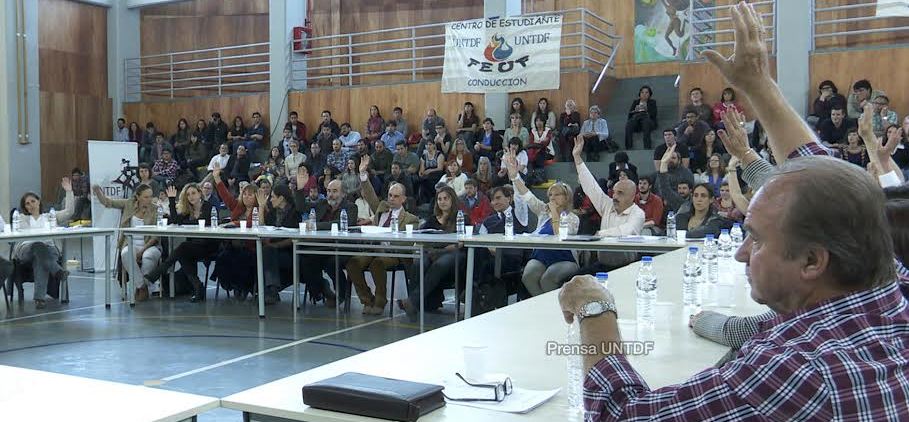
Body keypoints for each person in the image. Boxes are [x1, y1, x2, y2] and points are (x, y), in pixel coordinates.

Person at [568, 7, 908, 417]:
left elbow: (622, 413)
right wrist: (757, 86)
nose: (741, 252)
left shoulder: (797, 372)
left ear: (814, 260)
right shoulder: (890, 284)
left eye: (758, 239)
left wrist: (594, 308)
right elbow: (826, 183)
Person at [346, 156, 420, 315]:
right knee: (352, 263)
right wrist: (363, 174)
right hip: (374, 249)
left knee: (377, 263)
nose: (392, 199)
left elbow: (406, 244)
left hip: (393, 253)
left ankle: (380, 300)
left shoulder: (411, 219)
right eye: (390, 195)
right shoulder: (382, 208)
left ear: (403, 199)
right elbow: (370, 194)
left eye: (396, 196)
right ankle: (366, 298)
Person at [504, 150, 579, 296]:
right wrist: (514, 176)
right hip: (542, 255)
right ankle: (542, 305)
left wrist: (555, 212)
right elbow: (527, 195)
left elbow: (561, 235)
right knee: (528, 276)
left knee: (547, 279)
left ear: (567, 197)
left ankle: (556, 309)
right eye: (550, 194)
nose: (552, 197)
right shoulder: (543, 211)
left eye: (557, 194)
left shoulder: (572, 218)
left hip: (564, 257)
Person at [573, 136, 645, 271]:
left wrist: (600, 234)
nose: (615, 196)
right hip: (602, 265)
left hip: (626, 268)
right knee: (569, 281)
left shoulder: (638, 213)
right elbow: (591, 186)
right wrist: (577, 157)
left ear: (632, 197)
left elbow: (625, 231)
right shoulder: (608, 204)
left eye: (620, 193)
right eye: (614, 192)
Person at [400, 186, 469, 318]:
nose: (442, 202)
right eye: (439, 199)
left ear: (452, 200)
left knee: (440, 263)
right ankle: (417, 305)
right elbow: (421, 236)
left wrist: (442, 249)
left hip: (455, 255)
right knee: (419, 263)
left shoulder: (461, 217)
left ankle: (412, 301)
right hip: (433, 252)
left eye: (446, 198)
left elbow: (462, 242)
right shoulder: (432, 219)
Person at [142, 184, 217, 303]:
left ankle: (159, 272)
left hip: (208, 245)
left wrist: (188, 224)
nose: (191, 197)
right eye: (188, 194)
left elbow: (207, 223)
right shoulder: (188, 211)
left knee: (182, 249)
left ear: (199, 193)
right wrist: (172, 200)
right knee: (183, 253)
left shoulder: (209, 207)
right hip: (192, 247)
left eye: (193, 193)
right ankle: (197, 287)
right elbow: (175, 221)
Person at [93, 183, 160, 301]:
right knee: (125, 254)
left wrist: (143, 250)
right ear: (137, 197)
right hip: (130, 243)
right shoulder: (128, 204)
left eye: (150, 196)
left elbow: (155, 236)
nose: (149, 199)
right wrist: (98, 191)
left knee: (148, 257)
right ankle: (142, 286)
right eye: (146, 197)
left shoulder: (155, 209)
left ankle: (141, 287)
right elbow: (108, 202)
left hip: (149, 244)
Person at [14, 179, 75, 308]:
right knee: (38, 245)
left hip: (49, 249)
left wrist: (69, 191)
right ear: (24, 207)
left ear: (39, 201)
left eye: (33, 201)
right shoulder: (21, 218)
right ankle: (57, 271)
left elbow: (69, 211)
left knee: (41, 259)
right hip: (27, 249)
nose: (30, 205)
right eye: (27, 204)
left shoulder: (50, 216)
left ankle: (39, 300)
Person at [297, 179, 357, 307]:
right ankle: (323, 289)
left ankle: (341, 294)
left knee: (331, 261)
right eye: (329, 191)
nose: (330, 194)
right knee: (304, 258)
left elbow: (342, 224)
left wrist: (316, 226)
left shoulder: (351, 207)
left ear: (343, 194)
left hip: (341, 247)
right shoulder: (322, 204)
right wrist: (300, 190)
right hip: (319, 246)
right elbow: (301, 207)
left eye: (335, 191)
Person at [261, 184, 300, 305]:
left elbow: (295, 237)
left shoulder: (295, 213)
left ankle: (271, 290)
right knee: (265, 252)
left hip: (290, 251)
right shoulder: (272, 213)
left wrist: (276, 246)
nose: (270, 199)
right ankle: (270, 289)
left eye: (272, 197)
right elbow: (263, 229)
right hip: (273, 250)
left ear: (281, 198)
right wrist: (261, 208)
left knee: (267, 252)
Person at [654, 145, 696, 214]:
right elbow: (658, 188)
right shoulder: (661, 173)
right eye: (669, 158)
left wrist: (670, 197)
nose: (670, 160)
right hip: (663, 201)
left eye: (673, 158)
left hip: (681, 202)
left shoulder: (686, 172)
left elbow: (690, 189)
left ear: (679, 160)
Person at [676, 106, 714, 170]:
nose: (689, 119)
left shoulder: (704, 125)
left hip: (701, 148)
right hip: (687, 150)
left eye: (692, 117)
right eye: (687, 117)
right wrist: (686, 134)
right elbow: (678, 143)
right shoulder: (682, 127)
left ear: (697, 117)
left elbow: (708, 137)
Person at [624, 85, 658, 149]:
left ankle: (647, 146)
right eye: (642, 92)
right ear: (639, 94)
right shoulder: (636, 102)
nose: (644, 94)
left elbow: (654, 114)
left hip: (648, 120)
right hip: (637, 120)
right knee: (629, 124)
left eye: (646, 92)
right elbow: (630, 114)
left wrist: (646, 110)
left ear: (649, 94)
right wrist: (635, 111)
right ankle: (628, 146)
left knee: (646, 122)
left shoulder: (652, 102)